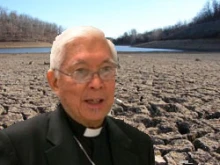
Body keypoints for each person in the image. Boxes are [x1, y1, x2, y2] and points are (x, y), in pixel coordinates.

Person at [0, 26, 155, 165]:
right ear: (55, 81)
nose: (96, 83)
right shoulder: (17, 147)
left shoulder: (140, 145)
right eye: (81, 71)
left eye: (106, 69)